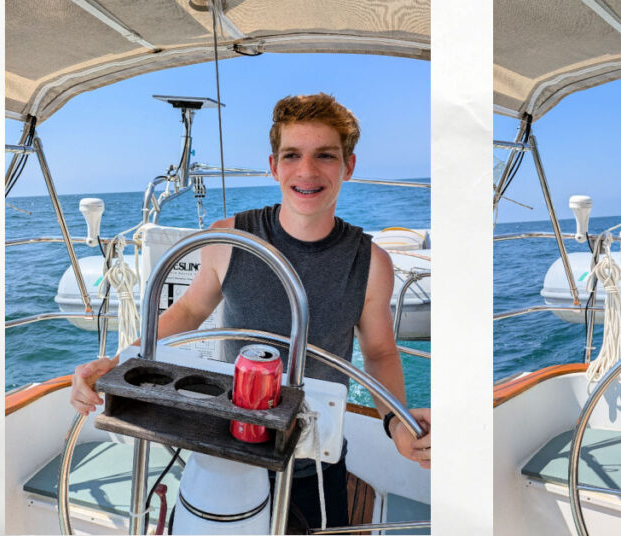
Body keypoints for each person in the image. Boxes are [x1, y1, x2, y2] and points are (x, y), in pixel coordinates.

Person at [69, 93, 431, 530]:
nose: (307, 171)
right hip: (228, 442)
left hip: (313, 456)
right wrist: (116, 364)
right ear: (273, 165)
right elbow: (187, 312)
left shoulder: (370, 263)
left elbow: (379, 353)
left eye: (325, 156)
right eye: (292, 155)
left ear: (348, 166)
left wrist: (397, 421)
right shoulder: (228, 237)